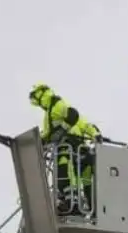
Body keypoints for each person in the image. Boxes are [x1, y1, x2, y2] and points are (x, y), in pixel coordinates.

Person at [28, 84, 101, 215]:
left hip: (69, 148)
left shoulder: (57, 105)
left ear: (41, 94)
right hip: (78, 151)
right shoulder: (49, 114)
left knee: (66, 175)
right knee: (78, 180)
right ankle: (85, 207)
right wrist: (40, 141)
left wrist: (94, 133)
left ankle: (75, 205)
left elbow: (77, 118)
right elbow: (50, 133)